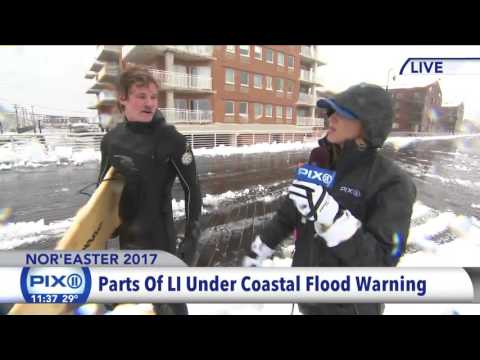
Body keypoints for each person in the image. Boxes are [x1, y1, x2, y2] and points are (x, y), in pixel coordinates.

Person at [243, 83, 417, 315]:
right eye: (331, 112)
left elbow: (381, 264)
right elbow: (289, 213)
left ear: (367, 125)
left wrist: (334, 221)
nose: (331, 119)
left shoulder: (393, 182)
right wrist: (260, 248)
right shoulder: (321, 162)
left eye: (341, 114)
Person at [98, 66, 202, 315]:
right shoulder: (111, 140)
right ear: (123, 99)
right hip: (127, 239)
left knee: (169, 305)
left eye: (154, 97)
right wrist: (101, 243)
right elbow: (102, 196)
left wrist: (191, 235)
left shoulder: (172, 139)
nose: (150, 103)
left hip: (160, 238)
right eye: (141, 96)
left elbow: (192, 188)